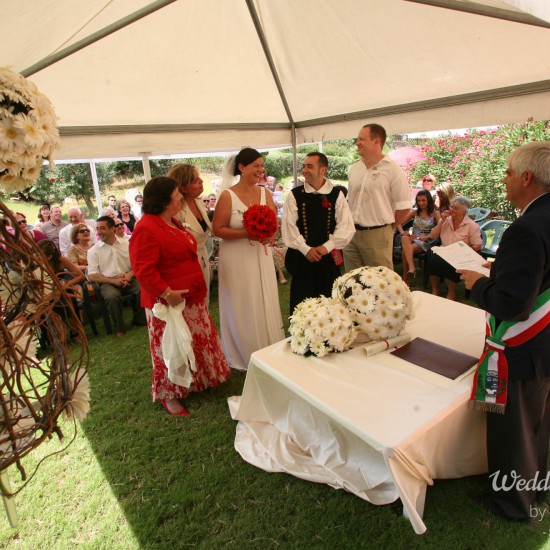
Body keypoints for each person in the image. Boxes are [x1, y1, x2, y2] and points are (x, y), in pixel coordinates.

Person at [458, 141, 550, 522]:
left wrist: (476, 284)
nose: (505, 179)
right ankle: (537, 489)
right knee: (539, 423)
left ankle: (512, 504)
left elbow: (512, 304)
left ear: (527, 177)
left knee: (514, 430)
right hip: (546, 340)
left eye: (509, 172)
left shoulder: (525, 228)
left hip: (524, 347)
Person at [129, 176, 231, 416]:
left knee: (193, 342)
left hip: (191, 296)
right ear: (164, 201)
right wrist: (167, 293)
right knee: (172, 347)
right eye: (176, 194)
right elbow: (143, 270)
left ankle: (195, 382)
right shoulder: (146, 227)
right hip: (169, 302)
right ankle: (170, 394)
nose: (180, 197)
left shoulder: (172, 220)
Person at [213, 148, 285, 371]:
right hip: (236, 258)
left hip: (260, 255)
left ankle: (267, 346)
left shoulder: (265, 193)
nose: (261, 170)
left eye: (262, 165)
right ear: (242, 168)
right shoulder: (228, 196)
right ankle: (242, 351)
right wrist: (247, 233)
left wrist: (269, 235)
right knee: (242, 300)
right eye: (255, 165)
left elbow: (274, 225)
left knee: (262, 296)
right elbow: (217, 229)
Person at [282, 152, 355, 314]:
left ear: (323, 170)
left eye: (310, 166)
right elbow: (289, 227)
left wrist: (327, 247)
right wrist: (306, 249)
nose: (305, 170)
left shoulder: (336, 195)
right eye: (304, 166)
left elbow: (346, 226)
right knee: (302, 307)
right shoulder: (295, 195)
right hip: (302, 260)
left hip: (327, 259)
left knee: (330, 306)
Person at [344, 123, 411, 271]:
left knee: (380, 283)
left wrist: (387, 228)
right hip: (351, 235)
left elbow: (404, 206)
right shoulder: (354, 168)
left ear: (377, 141)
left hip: (377, 236)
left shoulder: (393, 170)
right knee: (352, 282)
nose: (357, 143)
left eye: (362, 139)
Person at [87, 216, 146, 337]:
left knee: (142, 288)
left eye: (102, 228)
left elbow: (138, 264)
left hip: (128, 278)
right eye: (97, 229)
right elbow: (92, 275)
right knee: (112, 296)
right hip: (108, 282)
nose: (99, 232)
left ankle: (140, 321)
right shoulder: (93, 251)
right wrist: (113, 281)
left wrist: (129, 275)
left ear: (112, 229)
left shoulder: (127, 244)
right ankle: (120, 327)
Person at [168, 163, 213, 303]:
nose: (201, 181)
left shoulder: (199, 202)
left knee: (204, 305)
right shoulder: (176, 211)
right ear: (183, 188)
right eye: (195, 180)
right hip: (185, 269)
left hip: (203, 261)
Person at [426, 196, 482, 300]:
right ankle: (435, 290)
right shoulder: (446, 221)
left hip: (460, 255)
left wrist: (467, 250)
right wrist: (442, 220)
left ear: (463, 211)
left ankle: (451, 293)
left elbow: (478, 244)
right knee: (433, 261)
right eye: (451, 207)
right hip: (444, 251)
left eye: (455, 208)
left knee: (449, 265)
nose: (451, 210)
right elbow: (432, 236)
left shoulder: (471, 225)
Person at [37, 239, 85, 344]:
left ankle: (74, 333)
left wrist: (64, 286)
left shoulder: (60, 260)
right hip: (45, 291)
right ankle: (56, 335)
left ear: (51, 255)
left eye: (47, 257)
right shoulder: (36, 262)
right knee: (48, 304)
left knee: (63, 302)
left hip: (62, 289)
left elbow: (80, 275)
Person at [397, 189, 441, 284]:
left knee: (406, 250)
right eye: (419, 200)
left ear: (429, 200)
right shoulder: (415, 212)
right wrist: (402, 231)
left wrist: (429, 236)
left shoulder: (435, 213)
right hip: (414, 237)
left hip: (426, 240)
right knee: (404, 238)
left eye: (423, 200)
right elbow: (398, 222)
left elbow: (441, 227)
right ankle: (412, 267)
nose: (421, 203)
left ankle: (405, 278)